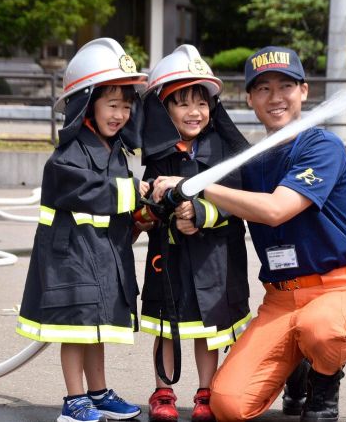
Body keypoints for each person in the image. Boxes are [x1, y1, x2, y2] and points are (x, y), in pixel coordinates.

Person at [152, 46, 346, 422]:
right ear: (250, 99)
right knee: (228, 405)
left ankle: (322, 392)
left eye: (285, 86)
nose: (275, 98)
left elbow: (275, 210)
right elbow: (227, 205)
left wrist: (194, 185)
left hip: (337, 289)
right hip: (279, 301)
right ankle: (298, 366)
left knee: (321, 329)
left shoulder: (322, 146)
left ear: (304, 91)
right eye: (263, 89)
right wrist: (188, 212)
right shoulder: (251, 161)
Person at [16, 38, 149, 422]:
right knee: (75, 331)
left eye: (126, 106)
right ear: (87, 104)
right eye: (112, 104)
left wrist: (142, 215)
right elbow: (90, 193)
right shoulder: (68, 155)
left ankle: (98, 392)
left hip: (101, 257)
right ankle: (75, 400)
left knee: (98, 329)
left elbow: (118, 205)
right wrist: (132, 192)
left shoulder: (115, 151)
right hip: (72, 259)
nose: (120, 114)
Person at [135, 44, 250, 422]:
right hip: (169, 257)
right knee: (169, 326)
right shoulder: (158, 152)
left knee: (208, 330)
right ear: (165, 109)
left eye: (201, 103)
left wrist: (203, 211)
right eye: (182, 104)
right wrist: (154, 206)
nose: (194, 112)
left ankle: (206, 390)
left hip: (215, 255)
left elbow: (238, 200)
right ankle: (162, 391)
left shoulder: (223, 149)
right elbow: (152, 196)